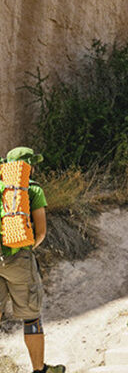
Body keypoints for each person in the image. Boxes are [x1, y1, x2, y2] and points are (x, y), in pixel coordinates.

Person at [0, 147, 65, 373]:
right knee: (31, 316)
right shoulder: (33, 189)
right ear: (29, 166)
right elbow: (41, 232)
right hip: (19, 257)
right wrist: (24, 246)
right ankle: (40, 369)